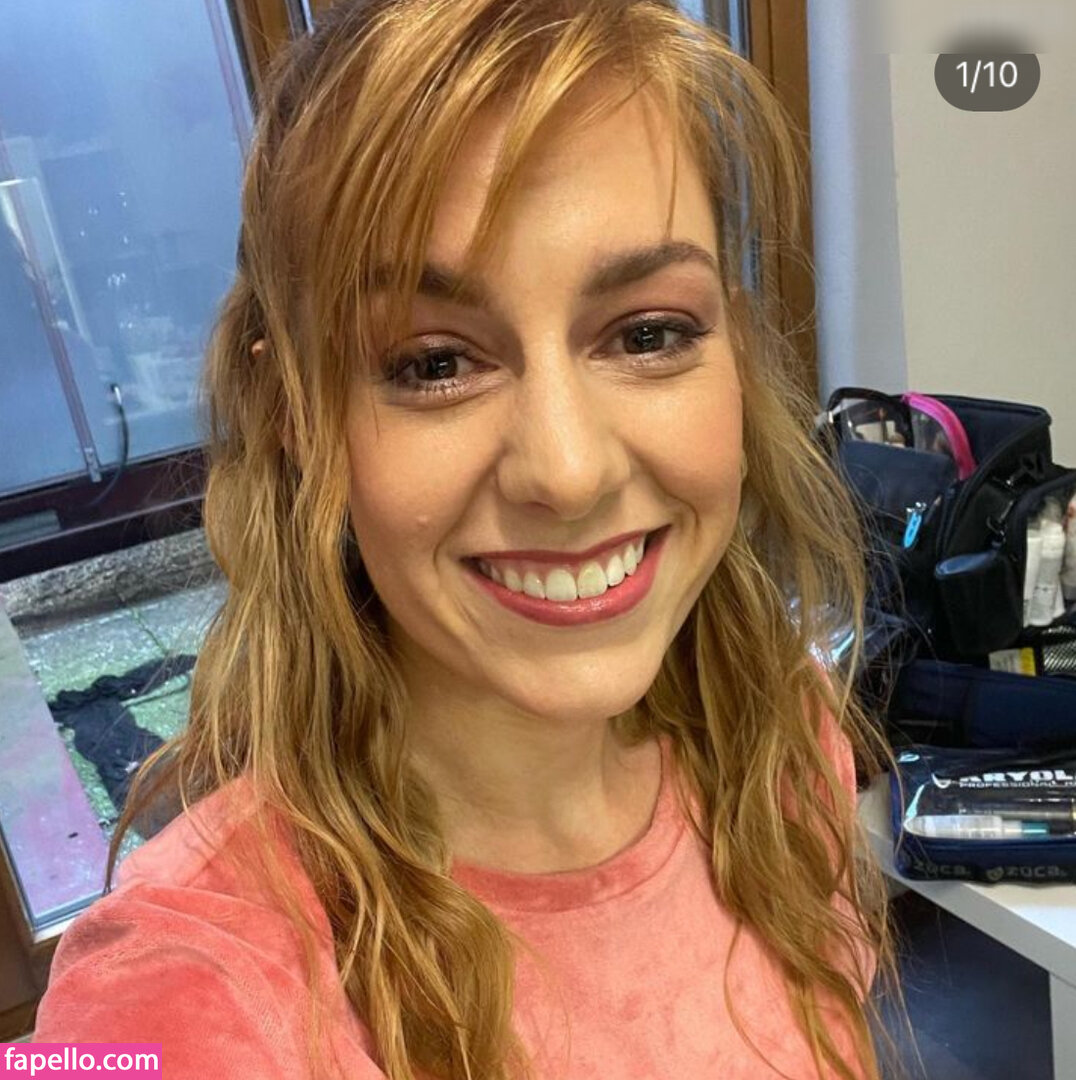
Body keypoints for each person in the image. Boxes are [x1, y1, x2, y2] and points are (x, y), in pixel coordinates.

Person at [34, 1, 901, 1077]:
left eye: (647, 333)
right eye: (434, 363)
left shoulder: (784, 745)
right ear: (297, 415)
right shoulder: (168, 992)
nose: (568, 472)